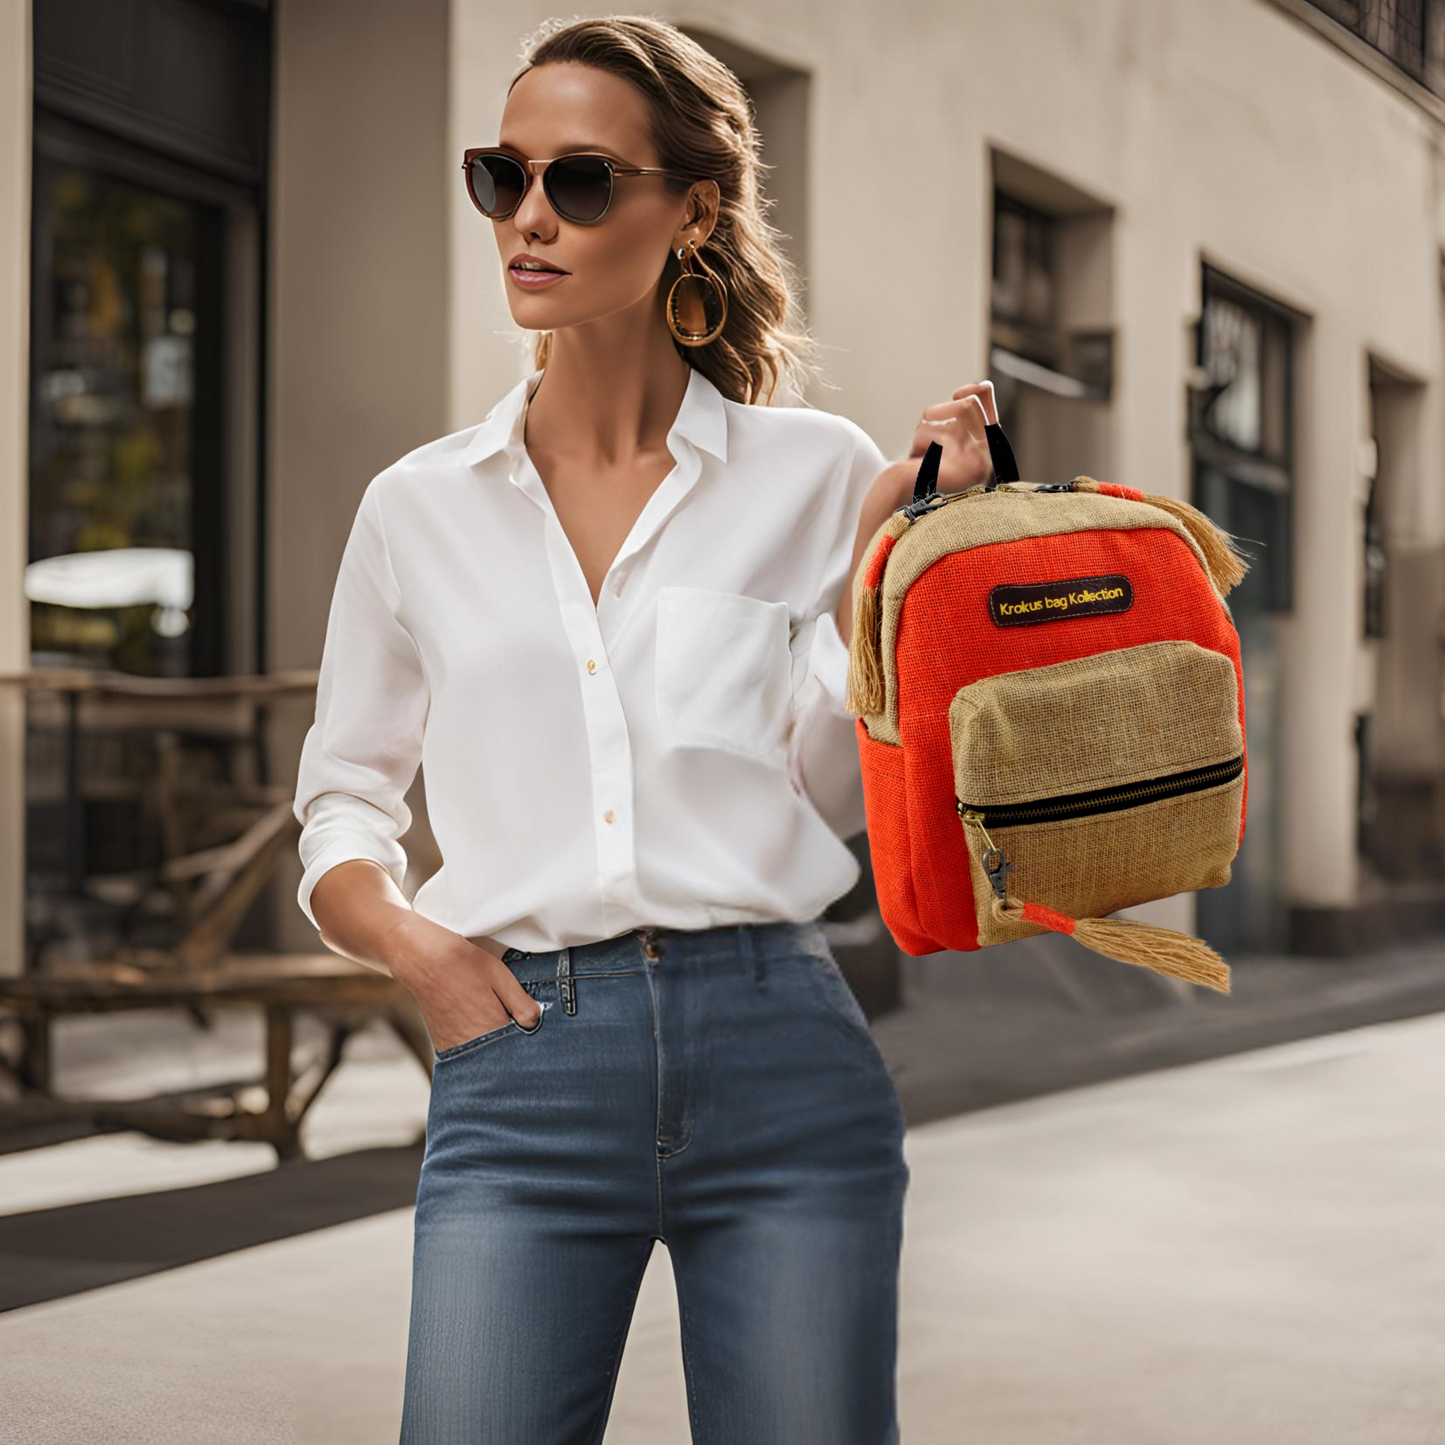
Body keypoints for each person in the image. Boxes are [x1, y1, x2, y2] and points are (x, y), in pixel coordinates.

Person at [292, 15, 998, 1444]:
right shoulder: (415, 507)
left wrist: (884, 579)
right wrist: (414, 947)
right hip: (521, 1067)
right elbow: (344, 797)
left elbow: (825, 796)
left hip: (782, 1049)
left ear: (693, 210)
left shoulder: (817, 474)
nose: (530, 219)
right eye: (503, 178)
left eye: (583, 182)